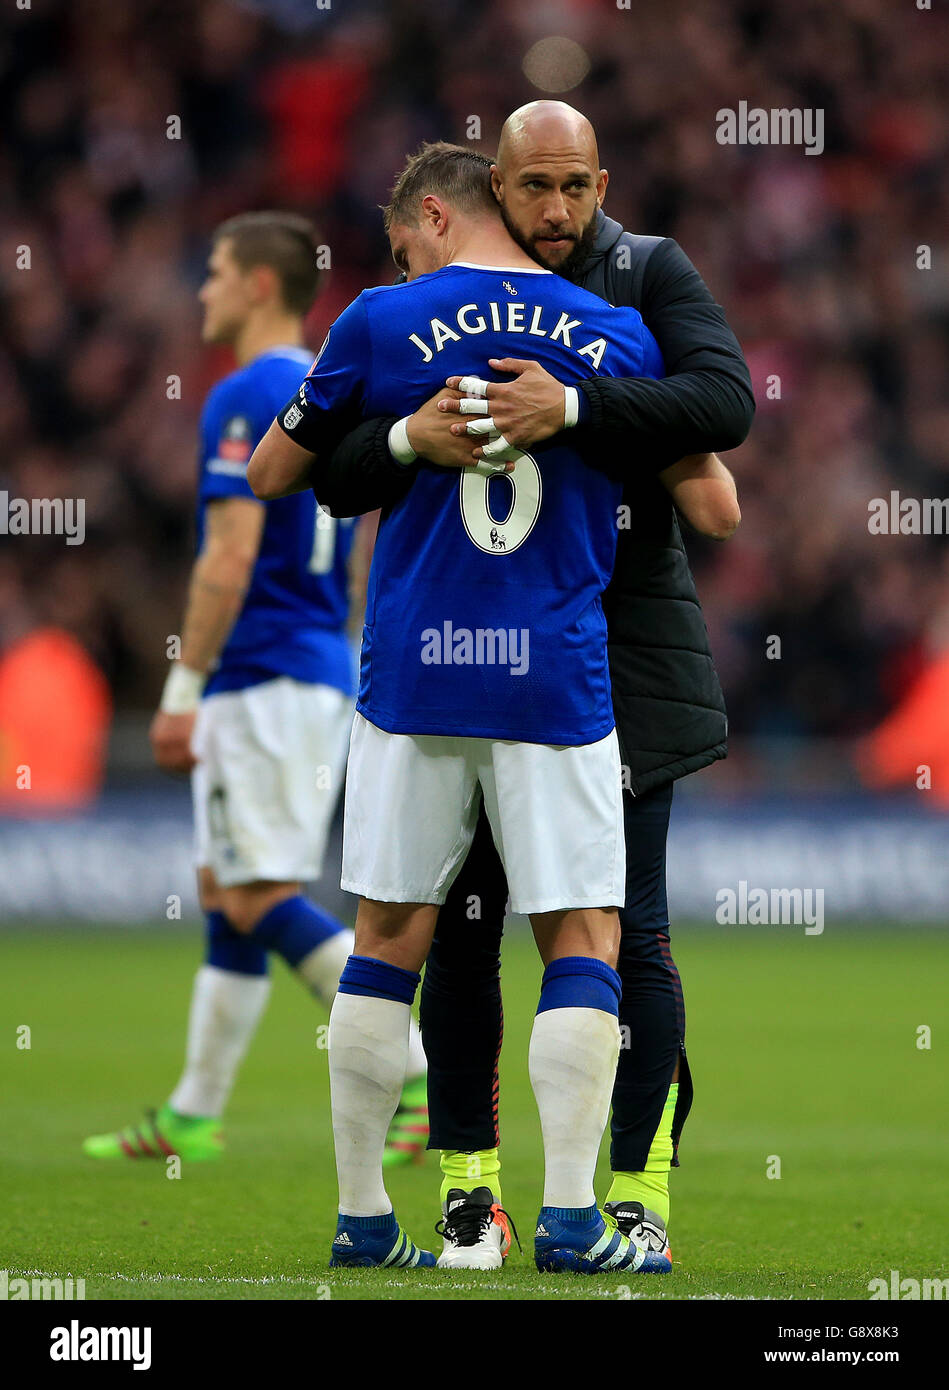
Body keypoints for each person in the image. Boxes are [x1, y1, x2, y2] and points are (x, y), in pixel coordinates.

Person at [310, 102, 750, 1269]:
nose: (555, 211)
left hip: (612, 653)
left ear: (600, 183)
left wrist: (578, 407)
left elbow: (727, 409)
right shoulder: (533, 312)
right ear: (495, 191)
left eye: (574, 189)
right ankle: (475, 1194)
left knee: (629, 936)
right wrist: (409, 437)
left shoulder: (646, 277)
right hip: (533, 656)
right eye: (534, 191)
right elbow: (343, 471)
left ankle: (633, 1193)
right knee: (469, 934)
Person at [82, 212, 427, 1165]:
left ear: (261, 288)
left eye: (217, 273)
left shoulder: (245, 396)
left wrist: (181, 686)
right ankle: (195, 1111)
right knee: (224, 884)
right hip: (311, 662)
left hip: (261, 671)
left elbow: (228, 557)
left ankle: (417, 1068)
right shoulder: (330, 388)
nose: (203, 290)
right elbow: (357, 537)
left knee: (256, 893)